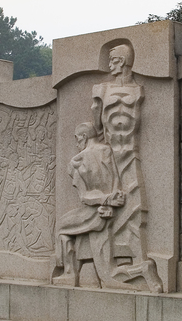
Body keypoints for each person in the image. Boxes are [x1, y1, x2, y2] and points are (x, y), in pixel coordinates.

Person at [89, 44, 162, 292]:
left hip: (130, 155)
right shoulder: (101, 90)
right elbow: (97, 129)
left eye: (113, 60)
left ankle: (137, 263)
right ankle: (121, 267)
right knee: (111, 211)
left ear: (122, 61)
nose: (110, 65)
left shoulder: (137, 90)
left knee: (135, 209)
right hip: (111, 160)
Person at [51, 122, 127, 288]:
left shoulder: (76, 162)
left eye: (77, 139)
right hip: (106, 209)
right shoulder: (106, 150)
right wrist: (110, 202)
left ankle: (69, 275)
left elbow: (84, 197)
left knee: (61, 227)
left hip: (92, 213)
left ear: (84, 137)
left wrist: (104, 201)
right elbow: (116, 181)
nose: (76, 143)